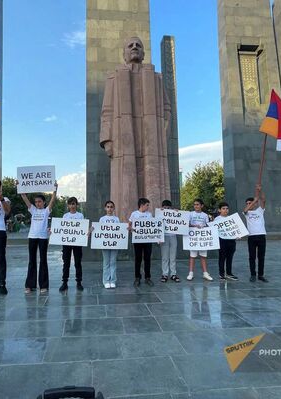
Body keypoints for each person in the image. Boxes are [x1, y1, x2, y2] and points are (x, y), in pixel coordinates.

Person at [99, 36, 172, 223]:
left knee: (153, 181)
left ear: (144, 53)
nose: (134, 47)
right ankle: (125, 224)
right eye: (130, 45)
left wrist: (161, 135)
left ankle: (155, 225)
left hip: (151, 140)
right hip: (123, 138)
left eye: (138, 45)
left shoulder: (156, 78)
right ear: (124, 53)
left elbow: (166, 109)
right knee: (126, 183)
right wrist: (107, 140)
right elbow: (106, 112)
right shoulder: (114, 78)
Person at [21, 182, 58, 294]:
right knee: (32, 261)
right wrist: (20, 187)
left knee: (43, 260)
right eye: (36, 202)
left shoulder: (47, 211)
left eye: (40, 201)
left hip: (43, 238)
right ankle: (30, 285)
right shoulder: (33, 210)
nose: (37, 203)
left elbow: (53, 200)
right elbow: (24, 197)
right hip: (32, 237)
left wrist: (55, 190)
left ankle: (43, 285)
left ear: (44, 202)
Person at [244, 184, 268, 282]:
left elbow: (263, 201)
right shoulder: (246, 213)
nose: (249, 204)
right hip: (252, 237)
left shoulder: (259, 211)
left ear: (255, 204)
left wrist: (260, 191)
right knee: (252, 257)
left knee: (261, 257)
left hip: (261, 236)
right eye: (247, 203)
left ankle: (261, 275)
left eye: (250, 203)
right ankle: (253, 274)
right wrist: (254, 200)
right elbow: (245, 210)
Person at [59, 197, 84, 292]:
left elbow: (82, 227)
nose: (72, 206)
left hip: (77, 242)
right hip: (66, 243)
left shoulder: (80, 215)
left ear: (76, 205)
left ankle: (79, 282)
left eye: (74, 204)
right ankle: (64, 282)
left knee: (78, 263)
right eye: (70, 204)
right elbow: (62, 228)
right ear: (68, 205)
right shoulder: (65, 216)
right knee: (66, 263)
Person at [128, 197, 154, 287]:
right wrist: (130, 229)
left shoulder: (149, 214)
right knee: (138, 259)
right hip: (138, 240)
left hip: (148, 239)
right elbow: (129, 225)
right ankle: (137, 277)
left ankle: (147, 277)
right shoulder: (134, 214)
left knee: (147, 259)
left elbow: (153, 226)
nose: (148, 207)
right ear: (142, 205)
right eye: (147, 205)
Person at [186, 199, 214, 281]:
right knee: (192, 256)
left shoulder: (205, 215)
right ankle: (190, 273)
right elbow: (186, 223)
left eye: (198, 204)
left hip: (202, 239)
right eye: (194, 204)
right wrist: (194, 225)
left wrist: (203, 226)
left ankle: (205, 273)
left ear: (202, 205)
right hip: (193, 238)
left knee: (203, 256)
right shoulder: (190, 214)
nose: (196, 206)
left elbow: (208, 225)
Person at [214, 202, 239, 281]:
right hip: (222, 241)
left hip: (231, 240)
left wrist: (238, 235)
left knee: (230, 257)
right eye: (223, 209)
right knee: (222, 257)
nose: (225, 210)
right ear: (219, 210)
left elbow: (236, 229)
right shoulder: (217, 219)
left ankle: (229, 273)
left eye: (227, 208)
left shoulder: (231, 219)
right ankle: (221, 274)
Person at [99, 200, 121, 289]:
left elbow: (119, 230)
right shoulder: (102, 219)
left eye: (111, 207)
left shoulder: (116, 219)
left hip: (114, 244)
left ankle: (113, 280)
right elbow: (99, 230)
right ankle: (106, 281)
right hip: (105, 244)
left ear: (114, 208)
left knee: (113, 262)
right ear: (105, 208)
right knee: (106, 262)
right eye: (108, 207)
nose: (109, 209)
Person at [160, 200, 180, 283]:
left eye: (168, 207)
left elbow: (181, 220)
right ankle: (164, 274)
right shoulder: (160, 214)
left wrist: (177, 213)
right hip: (164, 237)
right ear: (162, 207)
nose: (166, 209)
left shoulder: (174, 213)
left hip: (173, 236)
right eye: (165, 207)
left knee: (173, 256)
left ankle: (173, 274)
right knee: (165, 257)